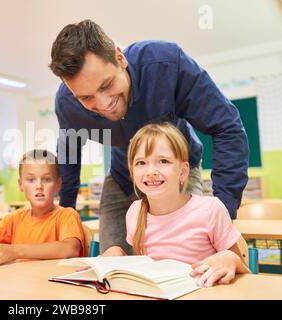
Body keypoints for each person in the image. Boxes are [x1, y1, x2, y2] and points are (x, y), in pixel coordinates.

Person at [49, 19, 249, 254]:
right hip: (123, 177)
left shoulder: (166, 64)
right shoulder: (67, 104)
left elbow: (227, 128)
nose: (104, 105)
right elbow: (69, 160)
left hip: (177, 176)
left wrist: (222, 213)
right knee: (112, 268)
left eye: (107, 85)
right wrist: (66, 219)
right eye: (86, 98)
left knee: (193, 263)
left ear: (119, 58)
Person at [102, 123, 250, 287]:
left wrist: (229, 259)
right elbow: (144, 268)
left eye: (163, 161)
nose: (150, 171)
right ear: (132, 171)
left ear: (183, 171)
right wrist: (117, 253)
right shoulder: (134, 213)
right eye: (141, 163)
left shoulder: (210, 209)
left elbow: (243, 270)